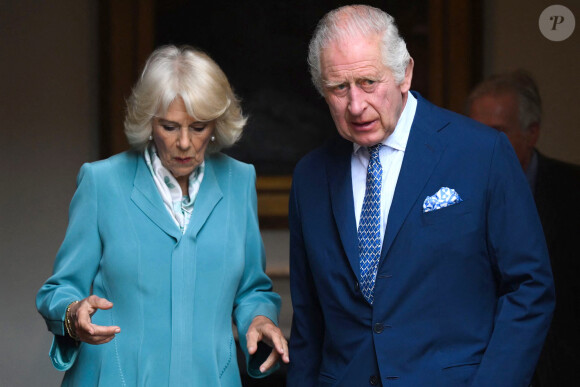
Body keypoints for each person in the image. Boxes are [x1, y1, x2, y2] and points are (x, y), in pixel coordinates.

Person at [287, 5, 554, 387]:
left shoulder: (481, 153)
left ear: (404, 74)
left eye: (367, 82)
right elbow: (308, 321)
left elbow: (530, 287)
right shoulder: (311, 176)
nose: (356, 105)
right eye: (338, 88)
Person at [36, 45, 289, 386]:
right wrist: (72, 315)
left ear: (216, 124)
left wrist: (259, 318)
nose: (184, 143)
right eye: (170, 127)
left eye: (198, 127)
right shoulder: (102, 182)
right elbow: (60, 289)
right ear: (149, 123)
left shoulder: (238, 181)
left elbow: (252, 289)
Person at [467, 70, 580, 386]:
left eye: (496, 132)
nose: (481, 144)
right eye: (474, 130)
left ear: (532, 133)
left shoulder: (571, 192)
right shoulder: (452, 192)